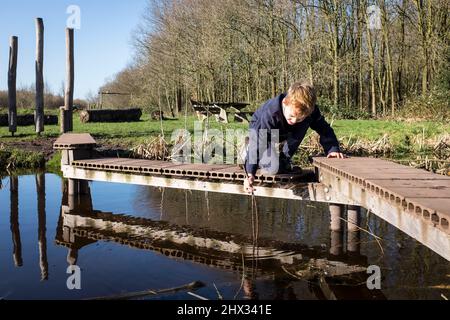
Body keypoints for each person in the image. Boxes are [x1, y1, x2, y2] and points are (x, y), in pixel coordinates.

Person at [244, 82, 344, 193]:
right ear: (284, 103)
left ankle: (285, 158)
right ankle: (246, 151)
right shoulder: (270, 113)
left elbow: (324, 129)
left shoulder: (309, 111)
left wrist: (332, 148)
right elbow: (258, 142)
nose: (294, 121)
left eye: (299, 118)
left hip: (285, 132)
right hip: (261, 130)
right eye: (292, 116)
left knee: (304, 124)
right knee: (270, 166)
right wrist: (250, 174)